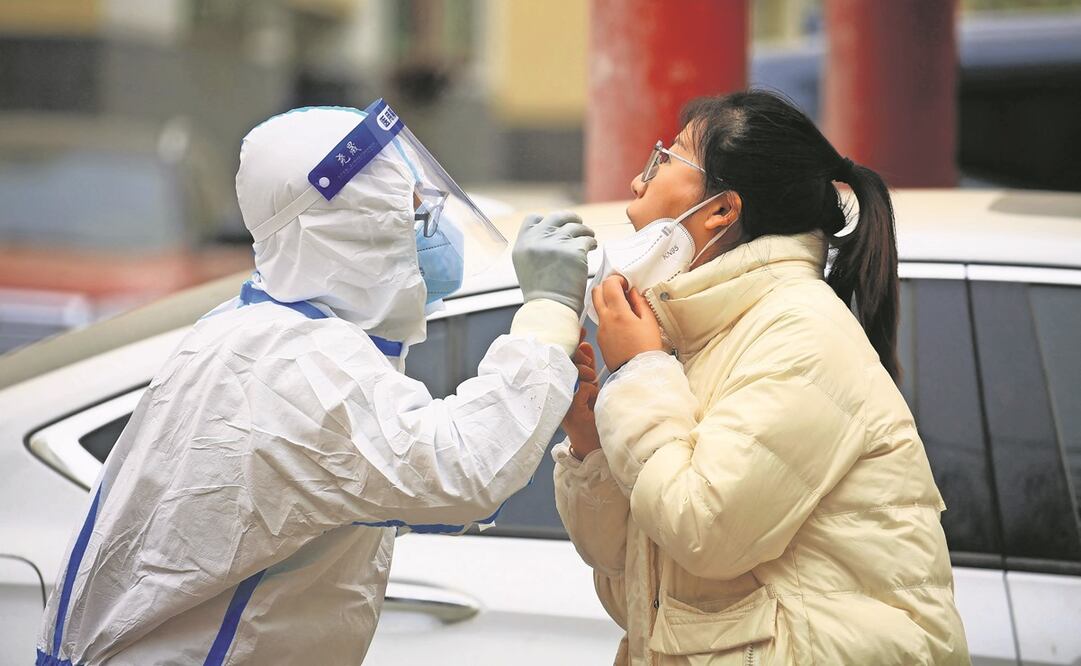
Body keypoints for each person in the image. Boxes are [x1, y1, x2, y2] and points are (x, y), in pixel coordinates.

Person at [36, 101, 595, 665]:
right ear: (341, 232)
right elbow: (461, 471)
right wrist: (547, 314)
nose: (433, 225)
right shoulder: (290, 365)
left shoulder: (268, 330)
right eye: (409, 210)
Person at [554, 91, 970, 665]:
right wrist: (593, 439)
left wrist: (640, 371)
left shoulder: (801, 331)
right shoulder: (700, 333)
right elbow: (638, 584)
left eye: (665, 158)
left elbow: (703, 529)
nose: (636, 184)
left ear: (722, 210)